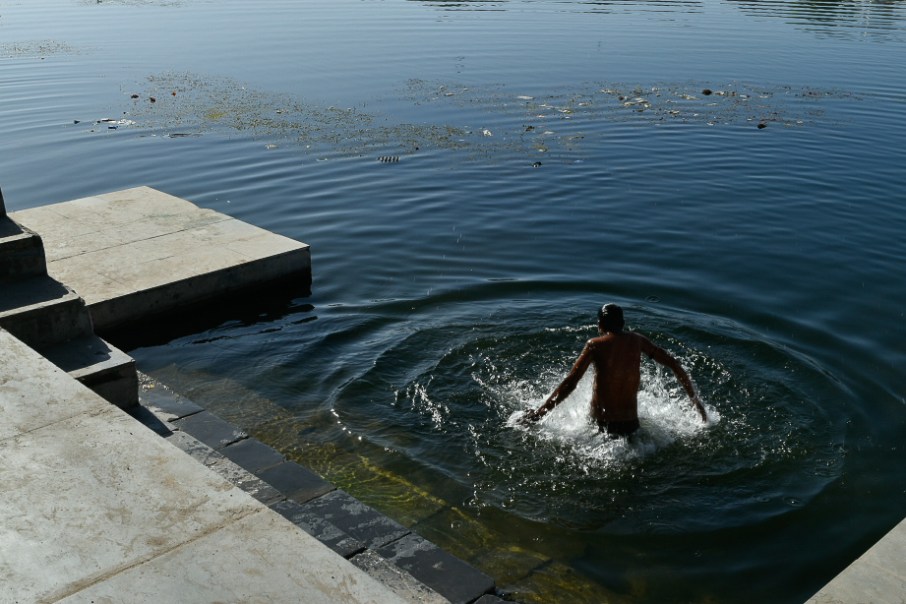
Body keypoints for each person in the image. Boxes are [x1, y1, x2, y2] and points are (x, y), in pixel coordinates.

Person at [522, 303, 707, 436]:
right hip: (632, 426)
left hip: (601, 427)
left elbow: (571, 382)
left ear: (600, 325)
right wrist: (695, 400)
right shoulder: (638, 341)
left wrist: (540, 413)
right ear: (623, 323)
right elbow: (674, 364)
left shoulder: (594, 344)